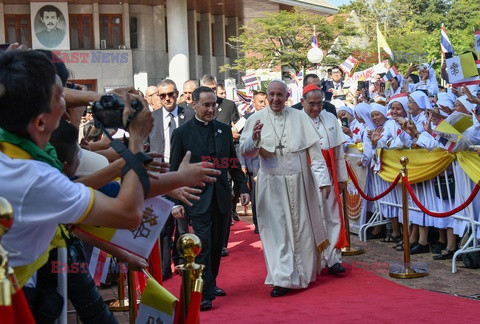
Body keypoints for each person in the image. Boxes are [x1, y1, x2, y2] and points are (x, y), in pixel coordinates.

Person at [0, 50, 219, 291]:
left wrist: (106, 99)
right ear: (41, 122)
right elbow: (128, 214)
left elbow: (78, 187)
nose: (67, 105)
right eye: (60, 97)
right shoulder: (36, 179)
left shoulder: (15, 153)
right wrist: (136, 138)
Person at [239, 80, 330, 298]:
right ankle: (282, 278)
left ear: (287, 95)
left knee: (302, 230)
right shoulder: (255, 119)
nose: (275, 99)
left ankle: (304, 275)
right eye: (271, 94)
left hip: (300, 182)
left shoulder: (300, 117)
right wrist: (254, 139)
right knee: (277, 232)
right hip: (271, 184)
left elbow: (315, 154)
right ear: (266, 95)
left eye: (280, 94)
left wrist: (323, 181)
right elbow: (246, 152)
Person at [169, 86, 250, 311]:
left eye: (214, 104)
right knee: (203, 245)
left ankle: (211, 282)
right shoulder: (182, 134)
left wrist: (243, 188)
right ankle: (202, 292)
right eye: (206, 104)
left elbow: (233, 164)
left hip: (222, 198)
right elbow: (174, 170)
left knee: (216, 245)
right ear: (193, 104)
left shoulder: (224, 130)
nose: (211, 109)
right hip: (197, 197)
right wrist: (176, 202)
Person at [147, 79, 196, 279]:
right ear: (158, 97)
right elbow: (144, 147)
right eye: (163, 96)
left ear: (177, 94)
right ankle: (164, 268)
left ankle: (183, 263)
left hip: (183, 175)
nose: (167, 99)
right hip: (160, 176)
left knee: (183, 224)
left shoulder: (190, 115)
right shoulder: (151, 119)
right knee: (164, 226)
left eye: (171, 94)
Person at [300, 84, 348, 274]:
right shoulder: (297, 120)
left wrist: (342, 177)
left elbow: (338, 151)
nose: (316, 108)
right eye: (312, 104)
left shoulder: (330, 118)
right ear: (303, 102)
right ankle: (315, 260)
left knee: (333, 215)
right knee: (313, 216)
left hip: (330, 172)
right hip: (307, 172)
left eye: (320, 103)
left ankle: (333, 258)